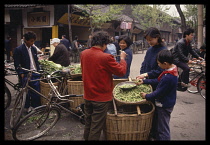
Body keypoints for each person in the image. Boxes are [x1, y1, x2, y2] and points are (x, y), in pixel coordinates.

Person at [80, 31, 127, 141]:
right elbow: (121, 72)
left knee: (88, 123)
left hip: (88, 95)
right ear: (104, 43)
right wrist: (123, 59)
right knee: (96, 127)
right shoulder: (106, 57)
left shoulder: (84, 53)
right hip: (101, 98)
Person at [137, 49, 178, 140]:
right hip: (168, 102)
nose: (158, 65)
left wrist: (146, 96)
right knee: (161, 125)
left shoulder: (168, 77)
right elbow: (158, 81)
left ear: (165, 63)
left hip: (164, 104)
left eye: (159, 64)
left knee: (163, 128)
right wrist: (144, 81)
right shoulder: (170, 70)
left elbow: (158, 93)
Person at [13, 31, 41, 113]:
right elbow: (17, 64)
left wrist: (38, 70)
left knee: (36, 91)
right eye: (31, 41)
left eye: (34, 41)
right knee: (27, 92)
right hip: (25, 73)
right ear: (26, 40)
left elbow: (36, 61)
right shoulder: (18, 50)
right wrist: (21, 73)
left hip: (35, 73)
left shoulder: (33, 48)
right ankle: (27, 107)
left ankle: (35, 106)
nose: (32, 43)